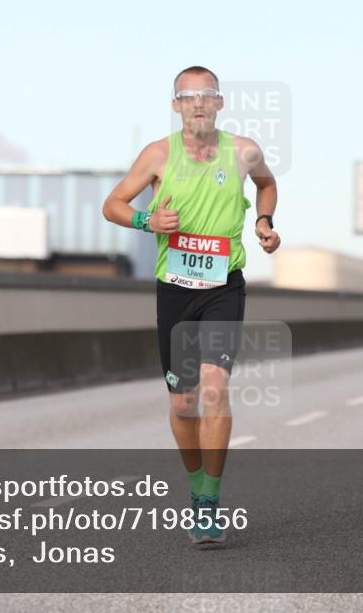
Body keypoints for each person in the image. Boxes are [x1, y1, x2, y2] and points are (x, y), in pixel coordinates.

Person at [102, 66, 280, 544]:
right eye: (188, 96)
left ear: (220, 103)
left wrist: (263, 221)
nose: (198, 103)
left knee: (215, 389)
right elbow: (112, 204)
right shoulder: (158, 154)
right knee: (183, 403)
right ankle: (196, 486)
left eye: (207, 95)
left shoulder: (243, 151)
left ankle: (209, 504)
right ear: (175, 104)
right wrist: (146, 219)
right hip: (175, 290)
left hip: (224, 285)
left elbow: (266, 183)